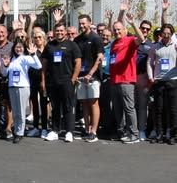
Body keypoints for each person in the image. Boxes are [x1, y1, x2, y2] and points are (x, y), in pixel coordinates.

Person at [41, 22, 81, 143]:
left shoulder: (72, 45)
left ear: (65, 32)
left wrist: (73, 79)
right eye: (57, 31)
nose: (59, 33)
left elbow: (78, 63)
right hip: (52, 82)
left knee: (68, 106)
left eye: (61, 31)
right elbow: (44, 65)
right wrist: (43, 81)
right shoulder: (49, 46)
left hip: (67, 81)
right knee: (55, 107)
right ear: (54, 31)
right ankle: (55, 130)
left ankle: (69, 132)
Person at [109, 14, 145, 143]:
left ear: (125, 30)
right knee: (117, 109)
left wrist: (133, 23)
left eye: (119, 29)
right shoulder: (114, 43)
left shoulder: (130, 40)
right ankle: (121, 132)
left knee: (129, 108)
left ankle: (134, 134)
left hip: (126, 81)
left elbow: (141, 38)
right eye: (115, 30)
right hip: (114, 81)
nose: (117, 31)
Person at [1, 38, 41, 143]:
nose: (18, 49)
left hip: (23, 87)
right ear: (14, 48)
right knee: (15, 111)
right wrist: (5, 65)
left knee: (21, 111)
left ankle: (20, 132)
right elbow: (5, 73)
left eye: (21, 47)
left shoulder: (25, 58)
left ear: (23, 48)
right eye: (17, 47)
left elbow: (38, 66)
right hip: (12, 87)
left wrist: (33, 54)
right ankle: (17, 128)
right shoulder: (12, 59)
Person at [74, 15, 104, 143]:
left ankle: (94, 132)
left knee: (93, 103)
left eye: (84, 23)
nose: (82, 26)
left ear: (90, 23)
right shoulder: (77, 40)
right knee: (84, 103)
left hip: (93, 77)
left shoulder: (96, 38)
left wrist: (90, 74)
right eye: (80, 24)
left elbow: (100, 58)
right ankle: (87, 130)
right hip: (81, 77)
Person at [147, 24, 177, 144]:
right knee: (158, 108)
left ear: (171, 34)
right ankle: (159, 133)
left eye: (168, 33)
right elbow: (149, 62)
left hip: (173, 80)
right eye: (164, 33)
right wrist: (150, 77)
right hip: (159, 81)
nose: (166, 35)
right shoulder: (155, 47)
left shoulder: (175, 46)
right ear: (161, 34)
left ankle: (173, 135)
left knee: (173, 109)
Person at [26, 28, 48, 138]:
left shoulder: (48, 50)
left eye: (40, 37)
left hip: (44, 81)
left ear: (44, 39)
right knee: (34, 105)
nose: (37, 39)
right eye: (35, 37)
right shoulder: (31, 50)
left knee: (44, 105)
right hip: (33, 80)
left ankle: (44, 128)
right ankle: (35, 127)